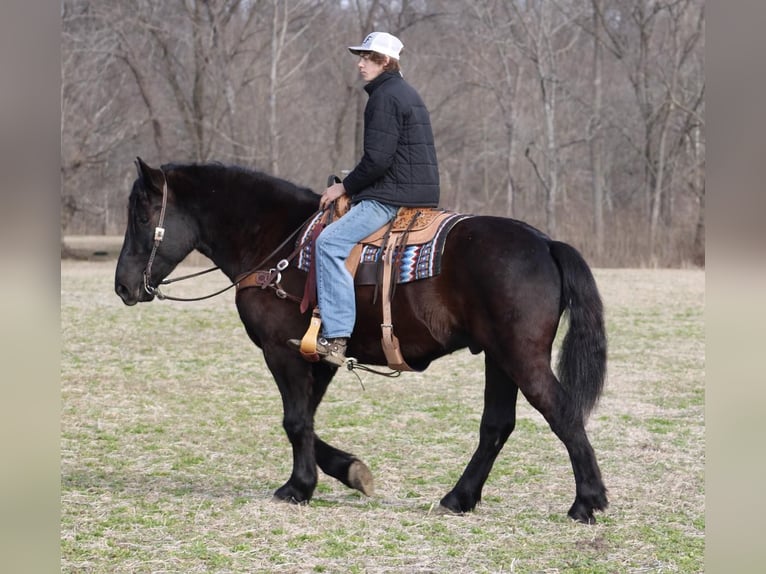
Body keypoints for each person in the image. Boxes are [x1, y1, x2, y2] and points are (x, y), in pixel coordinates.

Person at [289, 31, 440, 366]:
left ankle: (337, 336)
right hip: (415, 191)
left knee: (328, 243)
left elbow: (378, 161)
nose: (360, 65)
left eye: (368, 58)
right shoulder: (406, 93)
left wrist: (343, 187)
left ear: (385, 61)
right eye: (361, 57)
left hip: (392, 197)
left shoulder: (385, 97)